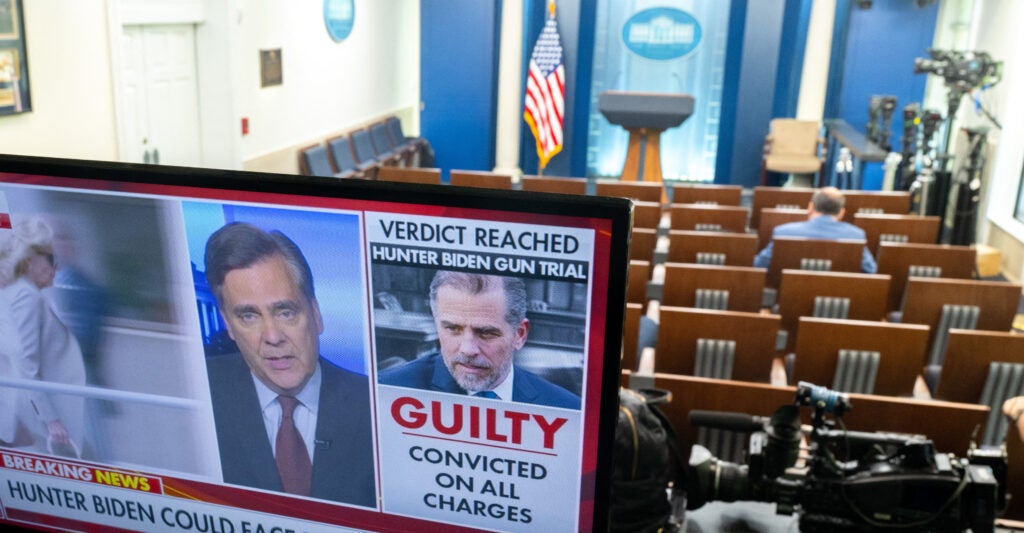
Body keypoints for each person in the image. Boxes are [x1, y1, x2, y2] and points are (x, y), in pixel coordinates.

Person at [203, 222, 375, 506]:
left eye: (285, 312)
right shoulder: (200, 391)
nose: (272, 337)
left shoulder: (373, 406)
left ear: (316, 314)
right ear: (228, 325)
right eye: (248, 316)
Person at [379, 271, 580, 409]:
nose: (467, 349)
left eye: (485, 332)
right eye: (452, 328)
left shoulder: (565, 408)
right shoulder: (386, 392)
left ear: (519, 334)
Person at [0, 217, 87, 456]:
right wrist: (52, 421)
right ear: (29, 261)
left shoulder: (17, 294)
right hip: (43, 418)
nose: (56, 268)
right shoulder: (27, 298)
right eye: (50, 258)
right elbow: (25, 363)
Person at [753, 186, 877, 273]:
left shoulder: (783, 232)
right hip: (836, 302)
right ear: (841, 212)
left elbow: (759, 265)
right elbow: (871, 271)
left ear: (811, 207)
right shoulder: (856, 236)